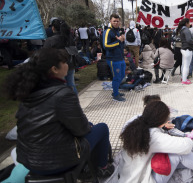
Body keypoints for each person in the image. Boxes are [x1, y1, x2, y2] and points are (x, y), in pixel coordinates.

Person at [3, 48, 114, 178]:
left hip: (29, 161)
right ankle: (103, 167)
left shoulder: (28, 91)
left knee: (89, 125)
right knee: (102, 128)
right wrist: (88, 127)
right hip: (55, 163)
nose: (68, 65)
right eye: (65, 62)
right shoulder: (62, 94)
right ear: (55, 69)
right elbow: (81, 129)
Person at [118, 100, 193, 182]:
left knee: (183, 156)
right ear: (160, 121)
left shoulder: (134, 122)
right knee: (179, 155)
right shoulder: (154, 136)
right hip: (145, 179)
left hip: (130, 173)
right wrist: (168, 131)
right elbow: (186, 146)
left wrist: (162, 127)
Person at [43, 20, 78, 94]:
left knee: (62, 86)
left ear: (53, 28)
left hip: (58, 67)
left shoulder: (50, 40)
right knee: (71, 84)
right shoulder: (69, 38)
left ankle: (66, 103)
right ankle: (74, 102)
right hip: (70, 65)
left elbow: (44, 55)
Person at [103, 14, 126, 102]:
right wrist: (118, 41)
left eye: (117, 21)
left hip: (120, 57)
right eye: (114, 21)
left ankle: (115, 91)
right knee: (116, 77)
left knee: (122, 75)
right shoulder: (108, 31)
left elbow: (120, 43)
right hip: (113, 59)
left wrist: (122, 40)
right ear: (110, 21)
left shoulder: (117, 31)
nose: (116, 23)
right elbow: (105, 45)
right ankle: (115, 95)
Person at [180, 18, 193, 85]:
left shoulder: (182, 29)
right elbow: (189, 40)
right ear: (186, 23)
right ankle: (184, 80)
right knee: (186, 65)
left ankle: (183, 77)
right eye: (189, 23)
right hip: (187, 49)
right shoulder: (186, 30)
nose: (190, 24)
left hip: (184, 48)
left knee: (184, 64)